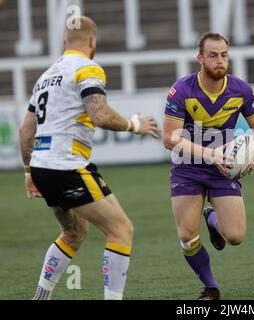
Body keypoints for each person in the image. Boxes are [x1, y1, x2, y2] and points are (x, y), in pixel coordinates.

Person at [19, 16, 160, 300]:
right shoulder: (87, 68)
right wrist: (135, 125)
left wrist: (28, 171)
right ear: (93, 41)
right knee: (121, 229)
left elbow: (25, 131)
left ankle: (40, 298)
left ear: (64, 43)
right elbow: (99, 114)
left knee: (74, 233)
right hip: (66, 166)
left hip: (43, 167)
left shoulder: (45, 76)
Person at [162, 32, 254, 300]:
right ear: (200, 58)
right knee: (187, 236)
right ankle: (211, 287)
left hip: (224, 168)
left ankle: (211, 218)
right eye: (213, 55)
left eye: (224, 55)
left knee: (235, 236)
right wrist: (210, 154)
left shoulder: (240, 89)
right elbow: (169, 138)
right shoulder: (182, 90)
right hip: (188, 167)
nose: (220, 61)